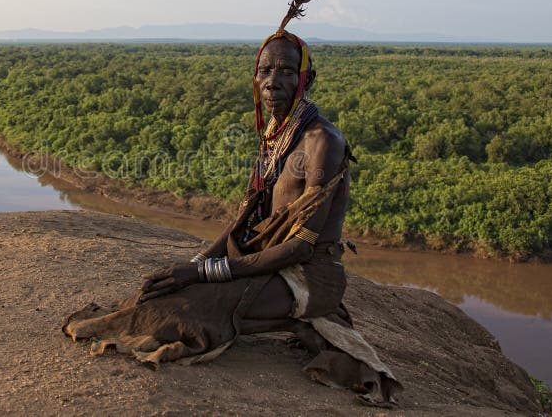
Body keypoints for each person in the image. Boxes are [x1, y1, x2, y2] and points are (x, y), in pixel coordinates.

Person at [64, 31, 401, 406]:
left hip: (307, 275)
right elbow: (243, 221)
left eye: (287, 71)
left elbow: (301, 247)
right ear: (255, 79)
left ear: (308, 79)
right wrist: (195, 263)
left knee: (189, 310)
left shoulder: (323, 141)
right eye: (265, 70)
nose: (273, 81)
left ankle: (304, 317)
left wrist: (203, 273)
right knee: (166, 292)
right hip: (265, 263)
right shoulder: (275, 136)